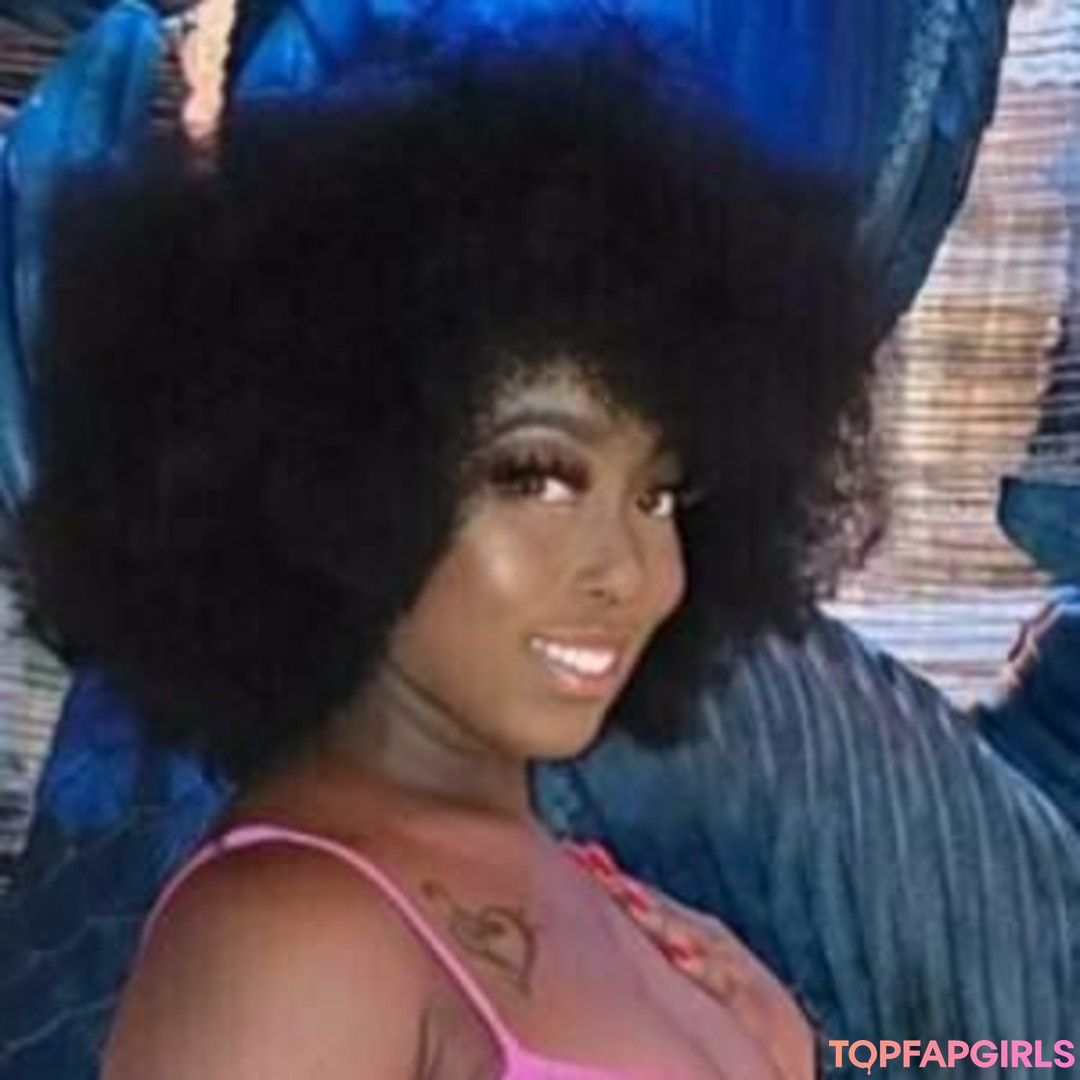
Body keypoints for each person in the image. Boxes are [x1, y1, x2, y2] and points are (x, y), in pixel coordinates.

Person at [12, 23, 884, 1077]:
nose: (628, 570)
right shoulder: (293, 945)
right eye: (537, 477)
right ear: (337, 477)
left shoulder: (632, 917)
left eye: (657, 495)